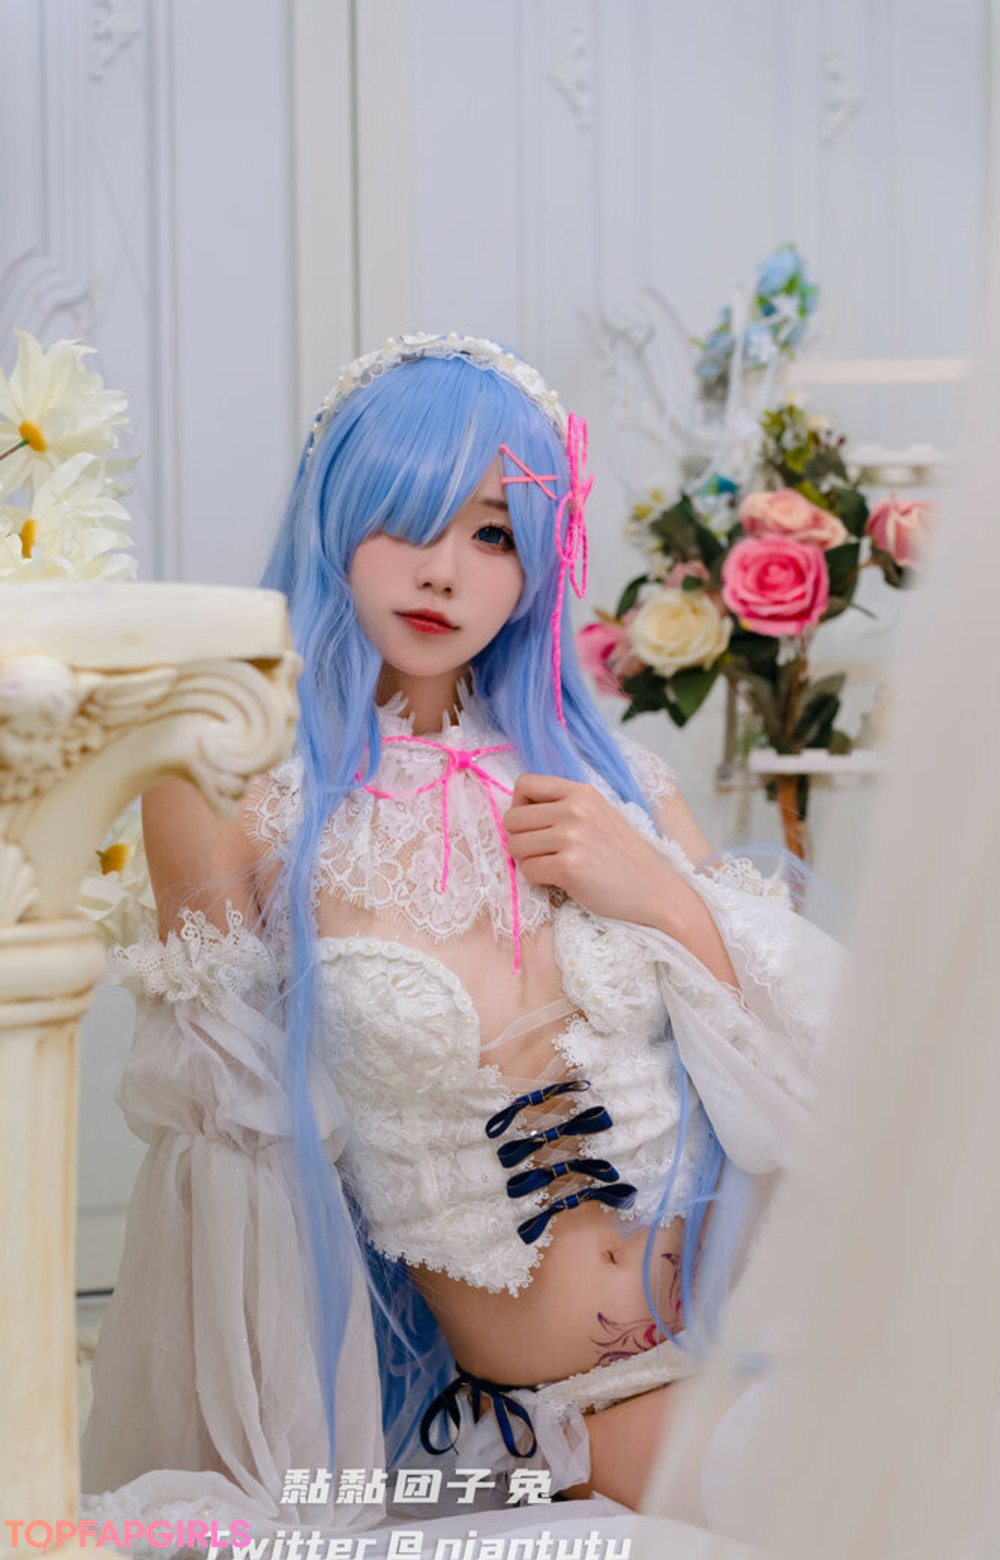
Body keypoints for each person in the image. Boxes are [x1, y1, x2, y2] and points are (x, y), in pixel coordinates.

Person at [81, 334, 844, 1530]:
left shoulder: (614, 782)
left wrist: (657, 892)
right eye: (407, 520)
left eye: (493, 534)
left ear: (538, 562)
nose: (443, 574)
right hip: (577, 1413)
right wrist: (287, 1476)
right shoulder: (229, 788)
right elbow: (229, 1172)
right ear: (334, 517)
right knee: (999, 1483)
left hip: (783, 1313)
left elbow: (823, 1071)